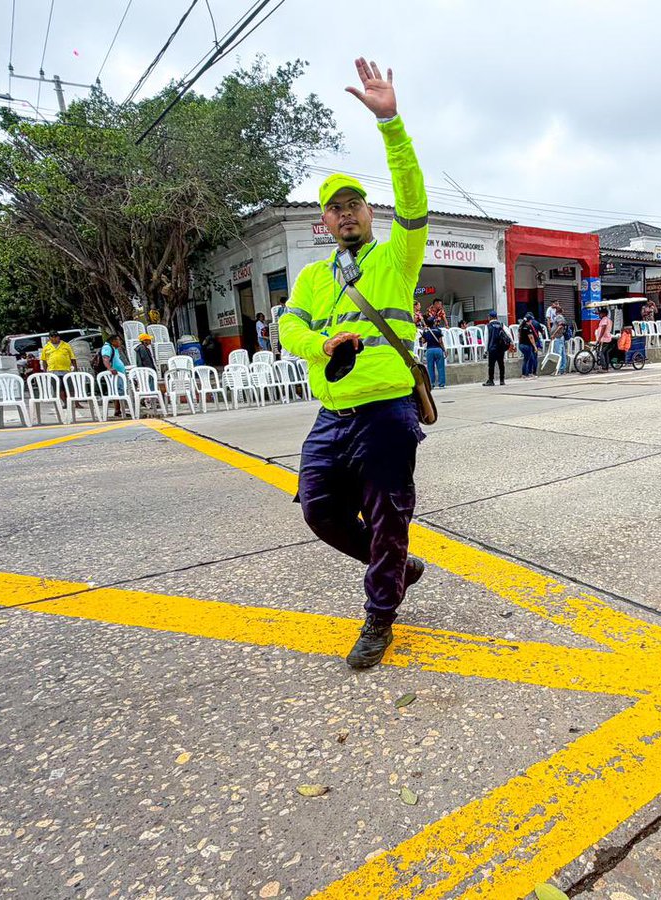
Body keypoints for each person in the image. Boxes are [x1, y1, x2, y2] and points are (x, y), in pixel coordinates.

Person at [276, 57, 428, 670]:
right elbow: (289, 325)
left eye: (354, 204)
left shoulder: (396, 259)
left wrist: (390, 123)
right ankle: (396, 567)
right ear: (324, 220)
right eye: (334, 207)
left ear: (369, 212)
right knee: (318, 507)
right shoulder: (312, 277)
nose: (345, 213)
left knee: (389, 512)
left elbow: (414, 201)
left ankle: (379, 616)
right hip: (333, 412)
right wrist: (320, 346)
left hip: (387, 410)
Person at [100, 335, 129, 418]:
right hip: (115, 375)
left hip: (119, 374)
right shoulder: (107, 347)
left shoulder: (114, 349)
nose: (120, 342)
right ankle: (118, 411)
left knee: (119, 392)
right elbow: (105, 359)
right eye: (118, 340)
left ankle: (118, 410)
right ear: (113, 341)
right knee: (118, 392)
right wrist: (110, 368)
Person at [483, 310, 509, 386]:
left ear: (490, 317)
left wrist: (485, 350)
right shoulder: (501, 324)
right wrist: (512, 344)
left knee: (491, 365)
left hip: (492, 349)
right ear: (496, 317)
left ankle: (491, 380)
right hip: (501, 348)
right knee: (501, 364)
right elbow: (508, 333)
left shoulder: (488, 326)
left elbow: (486, 338)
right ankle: (502, 380)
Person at [421, 316, 446, 388]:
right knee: (441, 368)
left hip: (429, 350)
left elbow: (423, 341)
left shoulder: (425, 331)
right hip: (438, 350)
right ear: (434, 322)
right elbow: (440, 342)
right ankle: (441, 384)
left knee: (430, 368)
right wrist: (444, 350)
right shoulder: (438, 330)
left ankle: (431, 383)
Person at [519, 312, 539, 378]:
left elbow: (519, 336)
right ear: (529, 320)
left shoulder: (521, 327)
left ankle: (526, 373)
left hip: (521, 345)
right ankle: (526, 374)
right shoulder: (528, 327)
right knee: (529, 359)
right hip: (527, 345)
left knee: (527, 358)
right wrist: (535, 346)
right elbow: (531, 337)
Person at [550, 309, 569, 374]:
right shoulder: (561, 317)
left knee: (558, 354)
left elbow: (560, 326)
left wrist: (553, 334)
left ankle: (558, 370)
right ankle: (562, 369)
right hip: (560, 337)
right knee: (562, 354)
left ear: (556, 312)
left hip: (558, 337)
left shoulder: (559, 317)